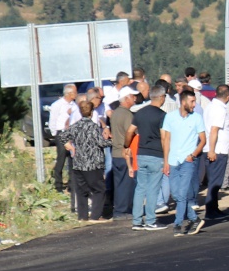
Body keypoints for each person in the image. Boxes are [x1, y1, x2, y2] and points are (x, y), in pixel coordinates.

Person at [162, 89, 207, 235]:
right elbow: (166, 140)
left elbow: (203, 140)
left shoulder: (197, 118)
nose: (194, 105)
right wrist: (166, 161)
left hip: (188, 161)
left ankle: (178, 224)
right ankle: (194, 219)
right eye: (192, 101)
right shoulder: (170, 117)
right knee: (176, 195)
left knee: (182, 194)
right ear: (183, 102)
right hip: (173, 160)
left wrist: (193, 155)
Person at [128, 87, 169, 230]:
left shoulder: (140, 113)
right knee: (153, 189)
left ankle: (137, 221)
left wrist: (126, 145)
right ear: (161, 97)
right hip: (156, 154)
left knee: (140, 188)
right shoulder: (162, 115)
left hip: (141, 153)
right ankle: (150, 220)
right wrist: (166, 158)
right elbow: (164, 138)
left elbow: (130, 131)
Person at [63, 98, 109, 221]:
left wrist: (70, 146)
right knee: (99, 189)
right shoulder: (93, 127)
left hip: (78, 162)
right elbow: (101, 143)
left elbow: (63, 136)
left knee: (81, 190)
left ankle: (82, 216)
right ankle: (95, 215)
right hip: (93, 162)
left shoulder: (75, 126)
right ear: (92, 112)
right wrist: (111, 141)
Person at [201, 83, 229, 222]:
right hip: (217, 150)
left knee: (215, 181)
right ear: (228, 96)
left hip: (213, 149)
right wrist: (212, 150)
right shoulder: (219, 109)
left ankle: (214, 208)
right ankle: (211, 211)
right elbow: (214, 130)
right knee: (215, 182)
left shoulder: (210, 106)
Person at [107, 86, 138, 223]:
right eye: (132, 96)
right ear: (126, 98)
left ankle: (120, 209)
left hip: (116, 152)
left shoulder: (116, 113)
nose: (134, 98)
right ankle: (122, 210)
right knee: (126, 184)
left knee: (119, 183)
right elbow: (130, 133)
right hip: (125, 153)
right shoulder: (127, 115)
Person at [48, 84, 79, 192]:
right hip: (61, 133)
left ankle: (72, 185)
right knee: (61, 159)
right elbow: (53, 120)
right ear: (69, 93)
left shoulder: (75, 105)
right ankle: (58, 185)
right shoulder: (57, 105)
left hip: (71, 133)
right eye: (75, 92)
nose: (76, 94)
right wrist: (55, 134)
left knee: (72, 159)